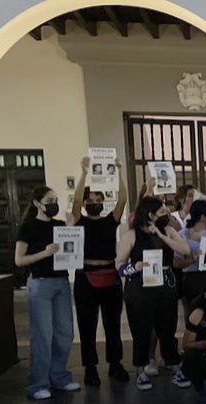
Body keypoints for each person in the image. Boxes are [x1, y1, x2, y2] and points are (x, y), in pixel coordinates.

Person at [116, 196, 192, 391]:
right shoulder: (132, 235)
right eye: (161, 212)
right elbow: (118, 265)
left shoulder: (169, 231)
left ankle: (173, 364)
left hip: (164, 284)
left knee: (168, 326)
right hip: (139, 286)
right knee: (141, 329)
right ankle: (140, 370)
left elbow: (184, 249)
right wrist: (135, 266)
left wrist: (162, 234)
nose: (166, 214)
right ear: (150, 215)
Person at [15, 186, 81, 400]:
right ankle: (38, 383)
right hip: (40, 283)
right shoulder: (28, 226)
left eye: (55, 199)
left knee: (65, 333)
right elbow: (19, 260)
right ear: (37, 203)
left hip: (61, 282)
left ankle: (59, 376)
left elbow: (71, 248)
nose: (54, 203)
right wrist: (44, 253)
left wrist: (71, 229)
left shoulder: (59, 225)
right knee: (43, 334)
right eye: (49, 200)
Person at [69, 156, 129, 386]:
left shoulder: (110, 221)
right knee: (87, 325)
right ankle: (90, 368)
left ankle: (115, 364)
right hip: (85, 278)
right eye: (90, 199)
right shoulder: (78, 220)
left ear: (103, 201)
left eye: (98, 198)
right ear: (85, 203)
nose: (94, 202)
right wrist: (84, 172)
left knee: (112, 324)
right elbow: (75, 202)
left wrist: (119, 171)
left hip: (110, 276)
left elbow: (122, 199)